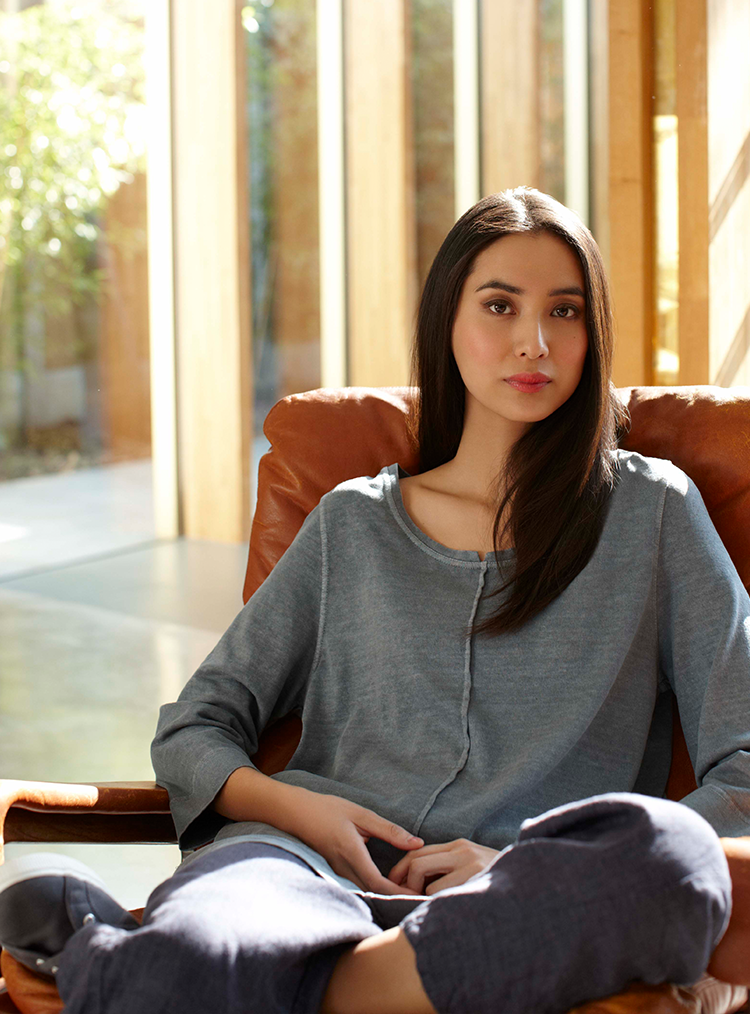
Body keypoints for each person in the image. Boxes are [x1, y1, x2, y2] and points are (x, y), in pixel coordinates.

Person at [1, 187, 749, 1014]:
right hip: (295, 869)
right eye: (499, 305)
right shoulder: (352, 523)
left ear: (591, 332)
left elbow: (746, 764)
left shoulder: (655, 515)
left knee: (670, 861)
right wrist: (303, 811)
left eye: (565, 312)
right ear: (447, 323)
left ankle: (123, 964)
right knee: (214, 939)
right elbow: (194, 727)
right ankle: (206, 966)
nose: (533, 341)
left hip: (515, 897)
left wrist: (526, 864)